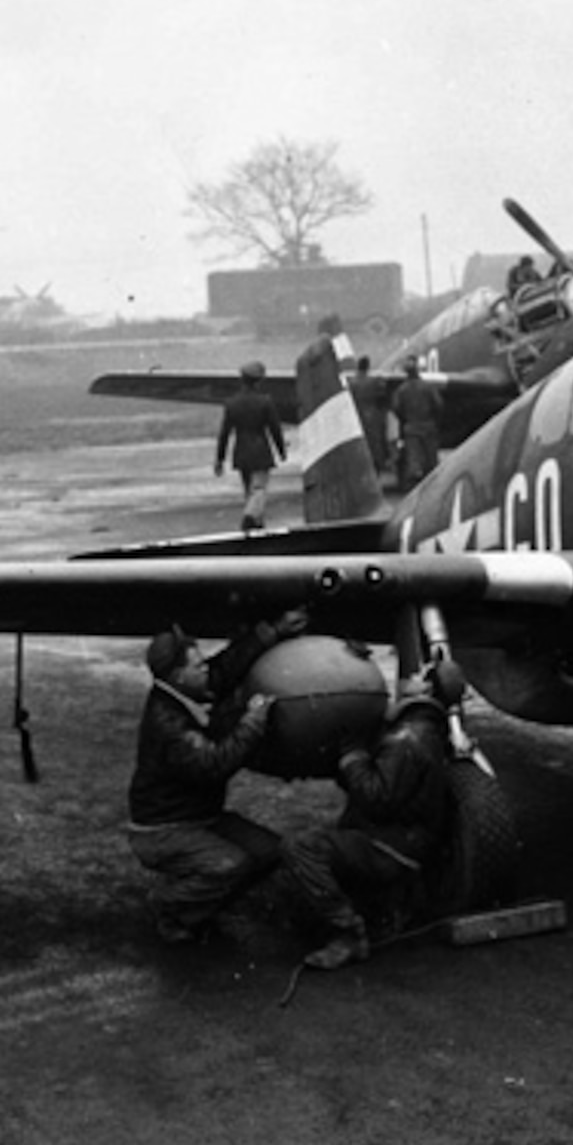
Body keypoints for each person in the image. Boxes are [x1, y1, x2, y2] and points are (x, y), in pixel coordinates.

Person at [125, 609, 307, 943]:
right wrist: (252, 723)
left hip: (198, 816)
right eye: (198, 666)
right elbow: (215, 764)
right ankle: (169, 907)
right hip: (163, 829)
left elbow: (224, 668)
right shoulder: (168, 724)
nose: (206, 668)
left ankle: (198, 909)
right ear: (178, 676)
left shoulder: (182, 691)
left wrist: (272, 630)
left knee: (270, 852)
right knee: (229, 864)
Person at [282, 664, 458, 969]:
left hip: (391, 849)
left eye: (419, 677)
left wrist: (353, 757)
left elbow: (376, 797)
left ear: (427, 690)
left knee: (300, 847)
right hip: (404, 842)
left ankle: (348, 935)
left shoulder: (407, 739)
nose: (409, 678)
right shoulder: (424, 730)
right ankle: (381, 905)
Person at [215, 360, 285, 531]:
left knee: (249, 491)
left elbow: (224, 433)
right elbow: (274, 428)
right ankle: (251, 517)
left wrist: (220, 458)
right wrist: (281, 449)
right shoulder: (265, 402)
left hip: (242, 452)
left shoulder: (232, 404)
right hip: (261, 450)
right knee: (259, 489)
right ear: (259, 381)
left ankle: (257, 525)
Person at [390, 354, 444, 490]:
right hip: (428, 427)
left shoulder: (402, 391)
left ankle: (413, 489)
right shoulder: (428, 387)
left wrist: (406, 421)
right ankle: (434, 488)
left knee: (414, 462)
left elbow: (397, 409)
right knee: (431, 462)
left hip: (412, 429)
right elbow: (438, 405)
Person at [347, 355, 393, 476]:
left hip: (356, 417)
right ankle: (376, 469)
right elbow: (383, 397)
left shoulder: (351, 383)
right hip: (372, 417)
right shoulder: (375, 382)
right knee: (375, 446)